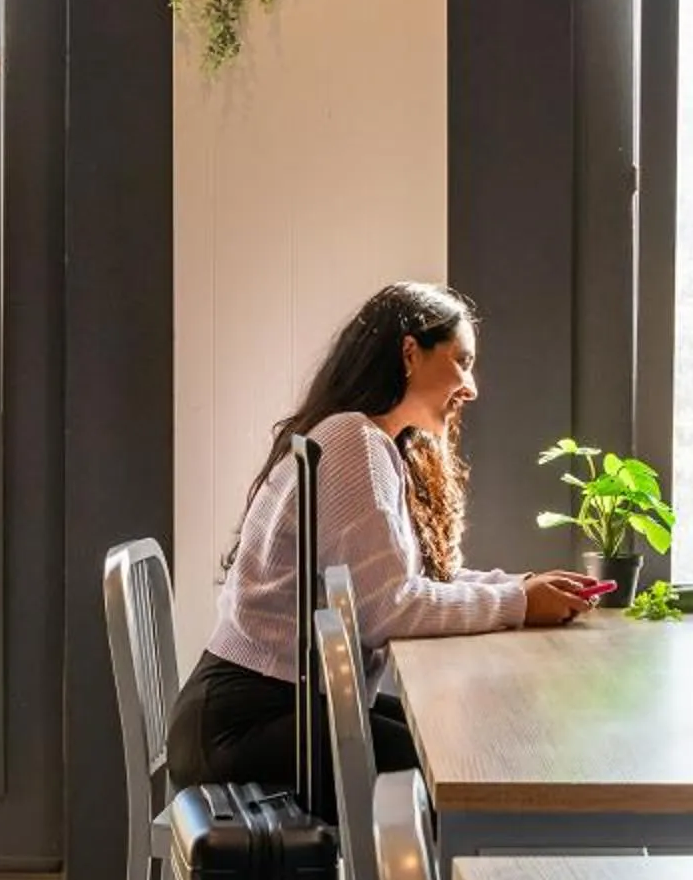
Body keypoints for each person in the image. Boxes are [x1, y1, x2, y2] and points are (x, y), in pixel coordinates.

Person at [169, 281, 594, 815]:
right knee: (457, 768)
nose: (471, 386)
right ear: (410, 353)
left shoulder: (365, 440)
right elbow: (387, 610)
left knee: (450, 742)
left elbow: (406, 585)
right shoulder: (354, 440)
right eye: (461, 362)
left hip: (261, 710)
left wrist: (518, 588)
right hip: (245, 727)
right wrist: (518, 604)